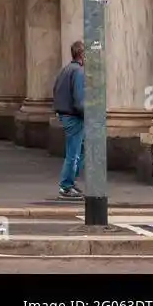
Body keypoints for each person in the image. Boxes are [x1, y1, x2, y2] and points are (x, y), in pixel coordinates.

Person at [53, 40, 86, 199]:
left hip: (66, 115)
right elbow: (79, 99)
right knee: (74, 153)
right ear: (82, 54)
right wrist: (89, 114)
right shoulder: (79, 72)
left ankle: (70, 183)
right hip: (74, 116)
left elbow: (56, 90)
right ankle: (66, 186)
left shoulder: (65, 70)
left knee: (80, 150)